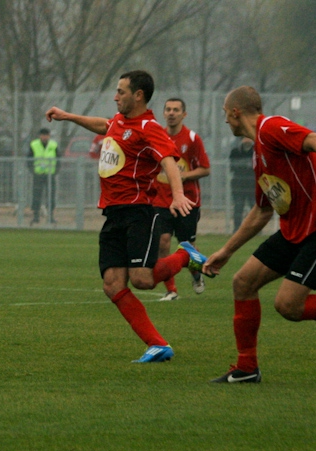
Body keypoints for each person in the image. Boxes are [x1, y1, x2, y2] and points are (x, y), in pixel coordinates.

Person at [203, 86, 316, 383]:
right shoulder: (258, 154)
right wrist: (226, 252)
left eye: (226, 114)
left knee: (288, 306)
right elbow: (262, 211)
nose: (225, 121)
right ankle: (246, 369)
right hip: (294, 231)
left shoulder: (271, 127)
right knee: (242, 282)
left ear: (235, 112)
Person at [45, 70, 208, 363]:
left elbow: (169, 161)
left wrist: (179, 194)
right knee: (112, 284)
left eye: (120, 91)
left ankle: (185, 256)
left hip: (138, 214)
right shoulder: (120, 121)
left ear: (138, 95)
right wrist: (68, 116)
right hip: (113, 214)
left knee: (143, 280)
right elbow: (104, 126)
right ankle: (158, 345)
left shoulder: (149, 127)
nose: (115, 96)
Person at [153, 98, 210, 301]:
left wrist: (181, 176)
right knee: (162, 243)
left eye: (176, 110)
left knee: (187, 246)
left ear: (184, 114)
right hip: (161, 201)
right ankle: (171, 290)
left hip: (187, 201)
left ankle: (196, 274)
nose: (171, 113)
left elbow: (205, 168)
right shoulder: (157, 136)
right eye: (168, 109)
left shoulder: (192, 139)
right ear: (163, 113)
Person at [27, 127, 61, 224]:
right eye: (43, 135)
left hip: (50, 175)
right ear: (39, 136)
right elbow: (29, 159)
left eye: (46, 135)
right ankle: (36, 216)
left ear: (49, 136)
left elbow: (59, 159)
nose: (44, 137)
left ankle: (50, 216)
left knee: (51, 196)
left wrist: (55, 172)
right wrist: (33, 171)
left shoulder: (53, 145)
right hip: (38, 175)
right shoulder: (34, 145)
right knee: (36, 195)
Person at [229, 137, 255, 231]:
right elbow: (233, 167)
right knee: (238, 208)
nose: (246, 140)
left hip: (252, 186)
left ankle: (255, 229)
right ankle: (237, 229)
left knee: (254, 208)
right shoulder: (235, 152)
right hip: (238, 186)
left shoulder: (256, 152)